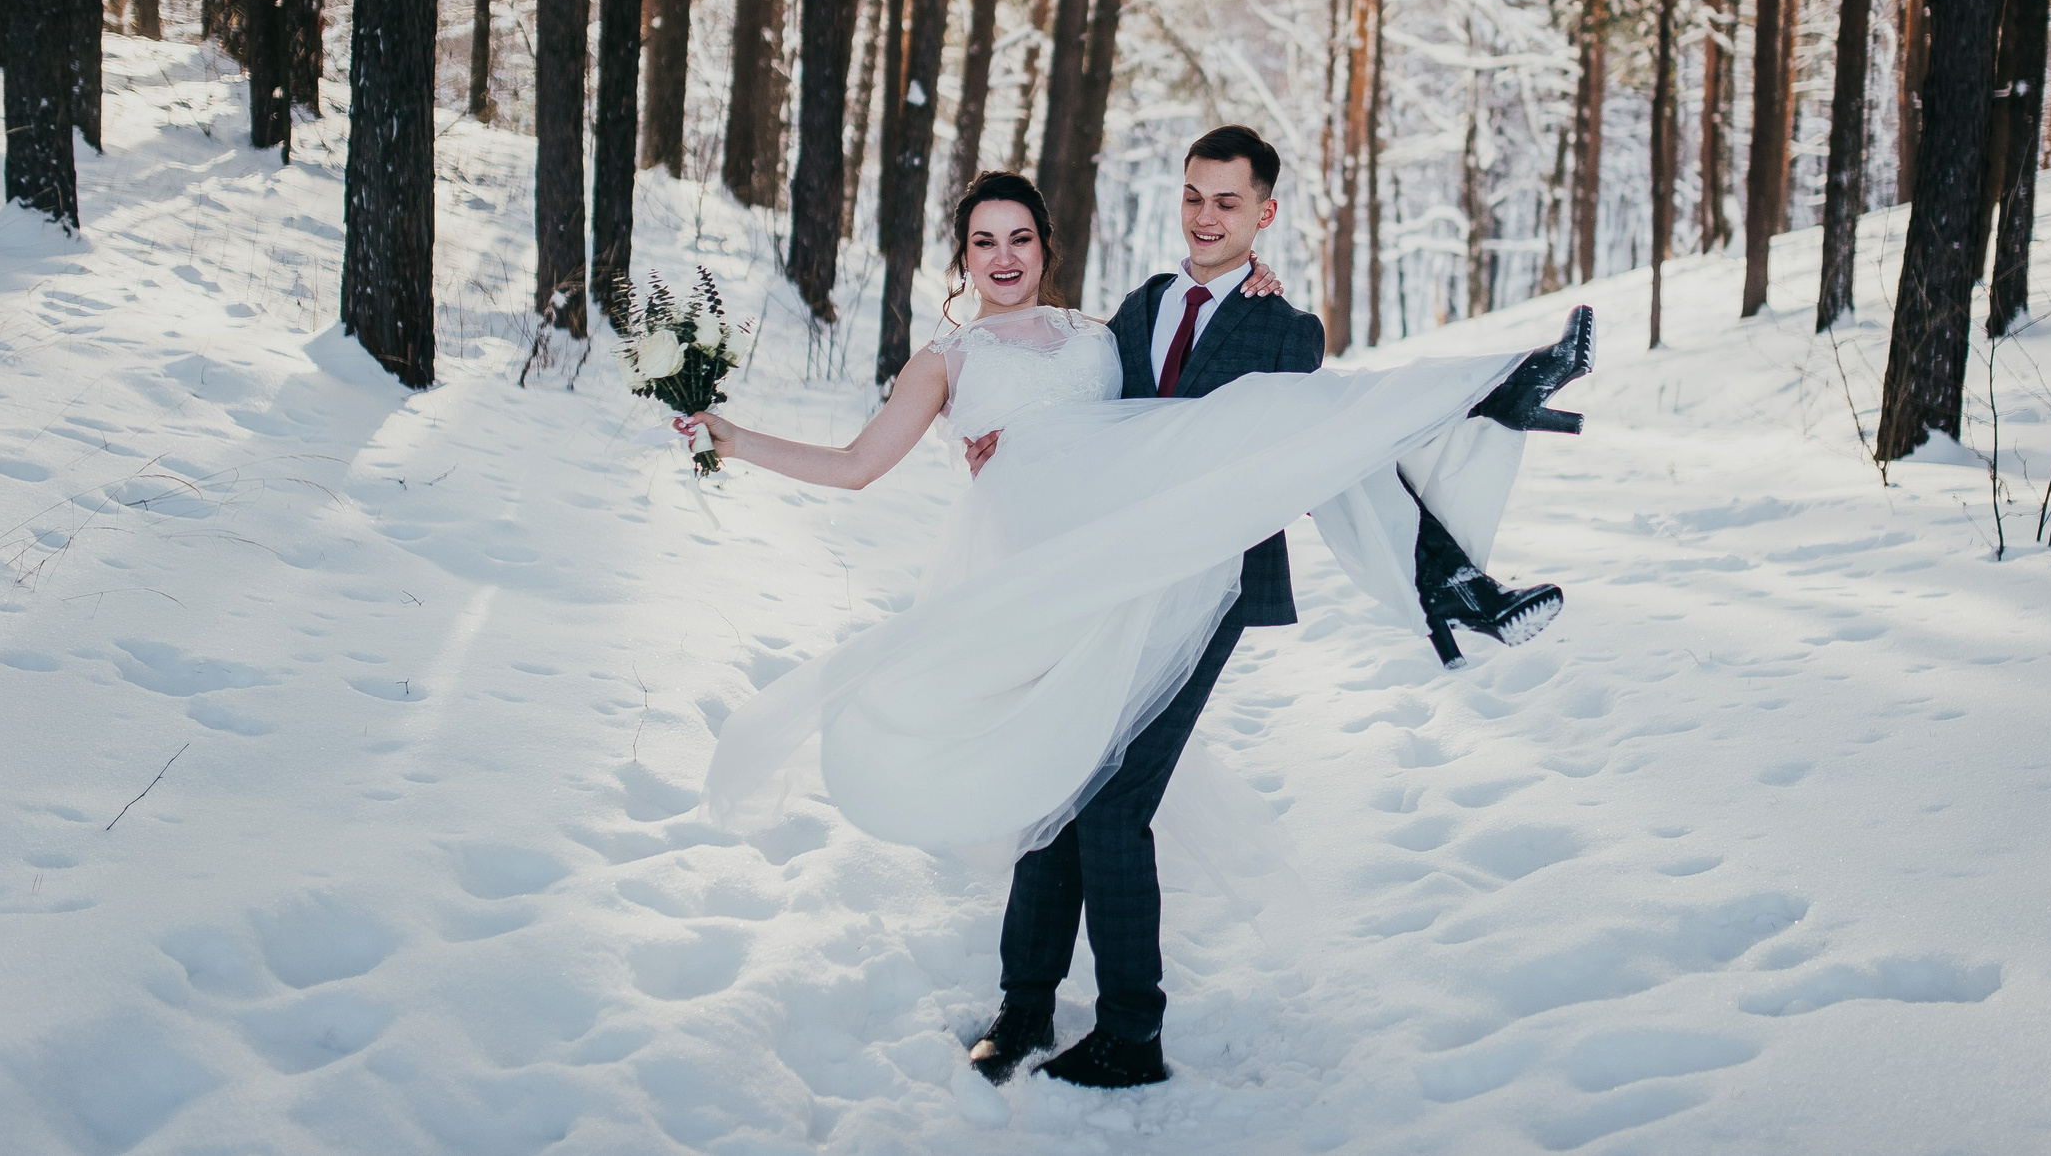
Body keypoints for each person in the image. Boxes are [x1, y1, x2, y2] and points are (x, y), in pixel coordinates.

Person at [681, 130, 1592, 1091]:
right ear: (964, 258)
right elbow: (908, 455)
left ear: (1262, 212)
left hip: (1201, 581)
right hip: (1062, 588)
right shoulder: (1126, 317)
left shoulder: (1233, 326)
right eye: (1194, 196)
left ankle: (1132, 1033)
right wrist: (758, 439)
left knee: (1112, 801)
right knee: (1050, 787)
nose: (1206, 215)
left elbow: (1296, 454)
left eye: (1020, 238)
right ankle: (1024, 1007)